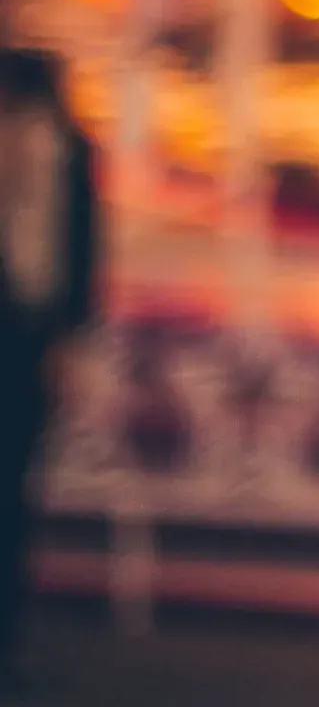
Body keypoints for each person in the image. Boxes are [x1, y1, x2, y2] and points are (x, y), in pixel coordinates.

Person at [0, 46, 96, 684]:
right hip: (32, 331)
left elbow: (81, 249)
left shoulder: (63, 150)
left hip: (28, 334)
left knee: (14, 482)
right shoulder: (65, 148)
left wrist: (69, 336)